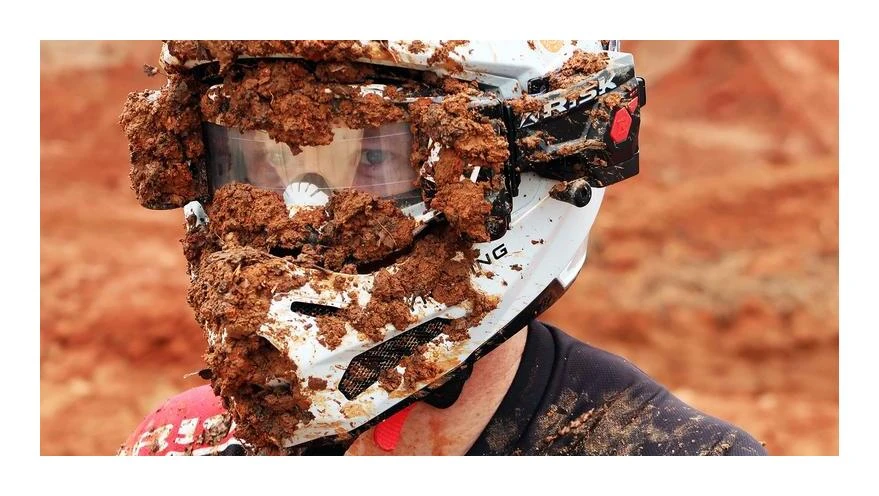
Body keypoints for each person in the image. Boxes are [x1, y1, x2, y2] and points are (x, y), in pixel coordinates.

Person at [119, 40, 767, 456]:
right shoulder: (182, 447)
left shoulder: (675, 460)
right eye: (256, 159)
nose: (301, 208)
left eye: (373, 155)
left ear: (525, 163)